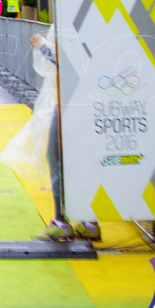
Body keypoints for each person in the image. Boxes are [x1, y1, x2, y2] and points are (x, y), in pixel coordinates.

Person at [29, 32, 101, 243]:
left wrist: (42, 46)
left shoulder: (69, 18)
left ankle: (63, 222)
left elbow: (68, 63)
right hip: (84, 100)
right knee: (82, 162)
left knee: (57, 159)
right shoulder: (83, 18)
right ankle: (89, 222)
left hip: (72, 102)